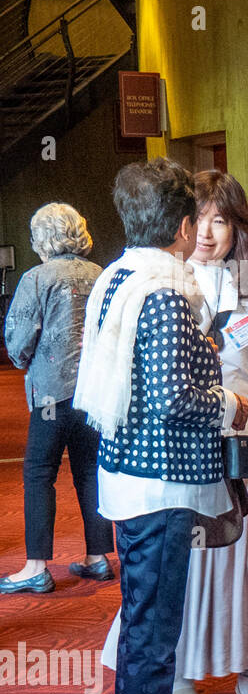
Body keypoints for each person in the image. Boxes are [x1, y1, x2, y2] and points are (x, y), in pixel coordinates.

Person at [75, 158, 248, 694]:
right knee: (153, 624)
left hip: (127, 470)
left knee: (147, 618)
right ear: (181, 226)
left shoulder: (120, 275)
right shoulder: (167, 291)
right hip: (162, 482)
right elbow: (180, 396)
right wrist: (230, 404)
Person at [101, 171, 248, 694]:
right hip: (184, 452)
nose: (207, 232)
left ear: (237, 228)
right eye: (199, 218)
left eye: (221, 219)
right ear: (180, 225)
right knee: (191, 567)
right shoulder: (160, 284)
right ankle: (181, 668)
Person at [2, 204, 115, 594]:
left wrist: (26, 360)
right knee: (89, 471)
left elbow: (17, 343)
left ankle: (35, 566)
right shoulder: (100, 275)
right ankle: (98, 557)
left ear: (42, 238)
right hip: (94, 394)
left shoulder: (37, 277)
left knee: (38, 473)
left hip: (51, 395)